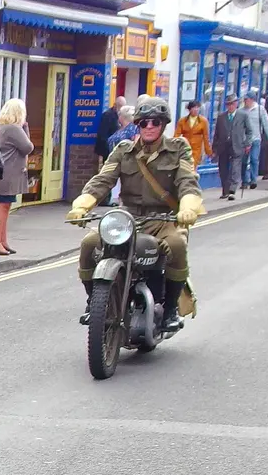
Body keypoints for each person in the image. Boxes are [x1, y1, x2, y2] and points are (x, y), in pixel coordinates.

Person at [68, 94, 202, 329]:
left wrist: (188, 208)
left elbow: (187, 182)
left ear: (164, 124)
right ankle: (94, 303)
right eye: (144, 122)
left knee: (177, 245)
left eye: (155, 122)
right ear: (137, 124)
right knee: (90, 243)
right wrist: (82, 205)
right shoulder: (123, 150)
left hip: (164, 218)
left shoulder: (178, 148)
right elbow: (102, 180)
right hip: (127, 217)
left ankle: (170, 309)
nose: (149, 127)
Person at [0, 98, 33, 256]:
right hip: (6, 175)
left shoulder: (5, 128)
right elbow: (28, 147)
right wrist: (25, 127)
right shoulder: (14, 129)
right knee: (2, 206)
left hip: (3, 174)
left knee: (4, 206)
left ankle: (2, 241)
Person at [213, 95, 243, 200]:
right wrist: (214, 148)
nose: (230, 106)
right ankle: (225, 191)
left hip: (237, 146)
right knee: (223, 170)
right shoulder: (221, 117)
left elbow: (249, 131)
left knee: (235, 168)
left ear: (236, 104)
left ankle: (232, 190)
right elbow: (216, 134)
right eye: (228, 104)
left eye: (232, 104)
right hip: (223, 146)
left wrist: (247, 143)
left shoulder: (242, 116)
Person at [238, 93, 268, 189]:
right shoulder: (240, 111)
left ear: (252, 100)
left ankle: (253, 180)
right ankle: (245, 181)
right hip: (244, 140)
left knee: (254, 159)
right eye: (244, 99)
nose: (245, 101)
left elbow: (266, 123)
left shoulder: (260, 109)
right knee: (244, 162)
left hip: (256, 139)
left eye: (246, 99)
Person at [176, 101, 210, 168]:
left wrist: (208, 151)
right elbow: (177, 134)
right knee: (184, 167)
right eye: (194, 107)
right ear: (189, 109)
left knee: (192, 168)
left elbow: (206, 137)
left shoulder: (203, 121)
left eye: (197, 107)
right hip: (185, 148)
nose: (196, 109)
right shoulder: (182, 121)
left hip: (196, 149)